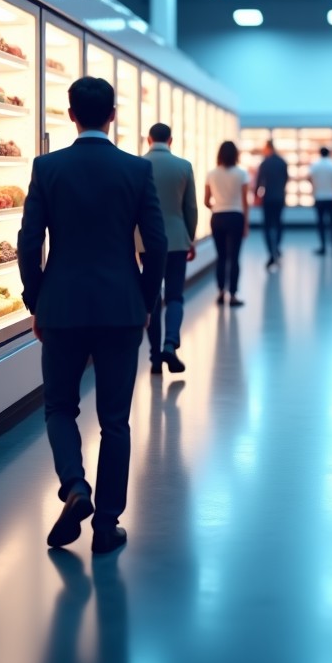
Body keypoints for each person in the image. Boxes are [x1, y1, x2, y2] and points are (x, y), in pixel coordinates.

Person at [18, 76, 166, 555]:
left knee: (60, 406)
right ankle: (106, 525)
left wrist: (36, 298)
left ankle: (74, 486)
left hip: (61, 306)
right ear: (113, 114)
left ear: (70, 113)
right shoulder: (135, 170)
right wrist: (145, 301)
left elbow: (29, 241)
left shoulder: (47, 167)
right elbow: (157, 244)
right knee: (115, 420)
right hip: (121, 308)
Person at [141, 122, 198, 376]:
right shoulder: (184, 166)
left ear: (148, 140)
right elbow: (191, 209)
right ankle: (169, 344)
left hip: (146, 241)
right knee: (175, 295)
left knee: (152, 297)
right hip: (176, 239)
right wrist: (190, 238)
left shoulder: (138, 165)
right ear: (171, 141)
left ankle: (154, 358)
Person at [206, 141, 250, 306]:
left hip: (217, 217)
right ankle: (232, 295)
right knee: (234, 257)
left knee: (221, 256)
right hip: (236, 217)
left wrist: (216, 207)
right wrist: (246, 223)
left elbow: (206, 200)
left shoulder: (211, 174)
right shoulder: (241, 174)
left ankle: (220, 291)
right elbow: (245, 202)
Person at [255, 139, 288, 271]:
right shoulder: (282, 162)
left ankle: (270, 251)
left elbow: (259, 182)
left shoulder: (264, 163)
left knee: (267, 225)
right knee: (279, 222)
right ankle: (277, 247)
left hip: (268, 198)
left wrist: (257, 196)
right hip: (279, 197)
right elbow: (286, 179)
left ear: (268, 148)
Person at [309, 146, 332, 255]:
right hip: (331, 197)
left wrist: (314, 190)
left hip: (319, 197)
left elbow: (310, 178)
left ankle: (323, 246)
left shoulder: (315, 165)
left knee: (321, 223)